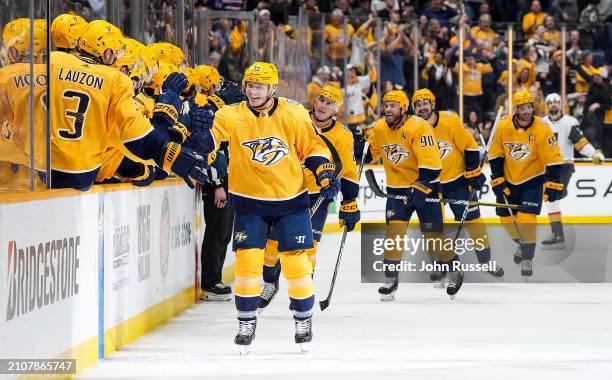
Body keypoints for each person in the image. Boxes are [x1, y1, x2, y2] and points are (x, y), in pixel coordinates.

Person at [194, 62, 339, 353]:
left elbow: (312, 146)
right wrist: (196, 133)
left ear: (272, 88)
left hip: (290, 201)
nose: (251, 90)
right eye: (249, 84)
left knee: (297, 266)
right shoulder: (230, 114)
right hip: (249, 203)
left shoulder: (293, 112)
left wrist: (323, 171)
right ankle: (246, 322)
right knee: (247, 266)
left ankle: (303, 320)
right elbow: (209, 144)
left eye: (259, 86)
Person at [0, 19, 209, 191]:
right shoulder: (115, 80)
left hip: (34, 172)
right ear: (107, 54)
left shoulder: (50, 63)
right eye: (116, 53)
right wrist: (169, 154)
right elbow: (136, 136)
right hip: (80, 173)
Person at [257, 84, 360, 310]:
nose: (323, 105)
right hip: (286, 192)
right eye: (321, 99)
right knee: (272, 244)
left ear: (337, 108)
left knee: (308, 247)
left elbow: (350, 171)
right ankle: (270, 283)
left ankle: (302, 292)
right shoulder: (297, 117)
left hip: (318, 197)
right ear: (315, 101)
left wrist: (349, 201)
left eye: (329, 103)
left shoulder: (343, 135)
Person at [366, 90, 464, 300]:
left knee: (433, 236)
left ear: (403, 108)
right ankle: (391, 279)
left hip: (425, 187)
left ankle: (455, 269)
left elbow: (432, 164)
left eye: (393, 105)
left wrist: (420, 187)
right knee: (394, 235)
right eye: (386, 105)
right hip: (397, 190)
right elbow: (370, 154)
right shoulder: (380, 128)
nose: (388, 109)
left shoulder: (419, 126)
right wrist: (357, 148)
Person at [412, 88, 504, 279]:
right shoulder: (411, 127)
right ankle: (440, 264)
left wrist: (472, 172)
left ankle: (486, 261)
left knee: (474, 222)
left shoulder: (449, 120)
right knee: (431, 229)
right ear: (414, 108)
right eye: (418, 105)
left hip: (457, 182)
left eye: (425, 103)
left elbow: (470, 146)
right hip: (430, 186)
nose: (422, 108)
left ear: (432, 104)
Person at [488, 91, 564, 277]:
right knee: (506, 220)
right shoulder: (503, 126)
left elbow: (553, 158)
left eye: (529, 107)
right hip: (508, 179)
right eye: (522, 108)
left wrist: (553, 184)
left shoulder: (542, 128)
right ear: (515, 109)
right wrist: (497, 179)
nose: (526, 111)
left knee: (526, 220)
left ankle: (528, 258)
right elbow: (495, 154)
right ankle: (522, 244)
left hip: (532, 180)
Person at [541, 93, 605, 248]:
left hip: (564, 167)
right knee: (550, 200)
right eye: (551, 102)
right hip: (547, 168)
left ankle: (558, 234)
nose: (554, 105)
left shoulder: (570, 122)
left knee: (552, 195)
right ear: (547, 105)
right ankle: (558, 234)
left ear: (561, 104)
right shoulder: (541, 123)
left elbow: (580, 143)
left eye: (557, 102)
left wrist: (594, 153)